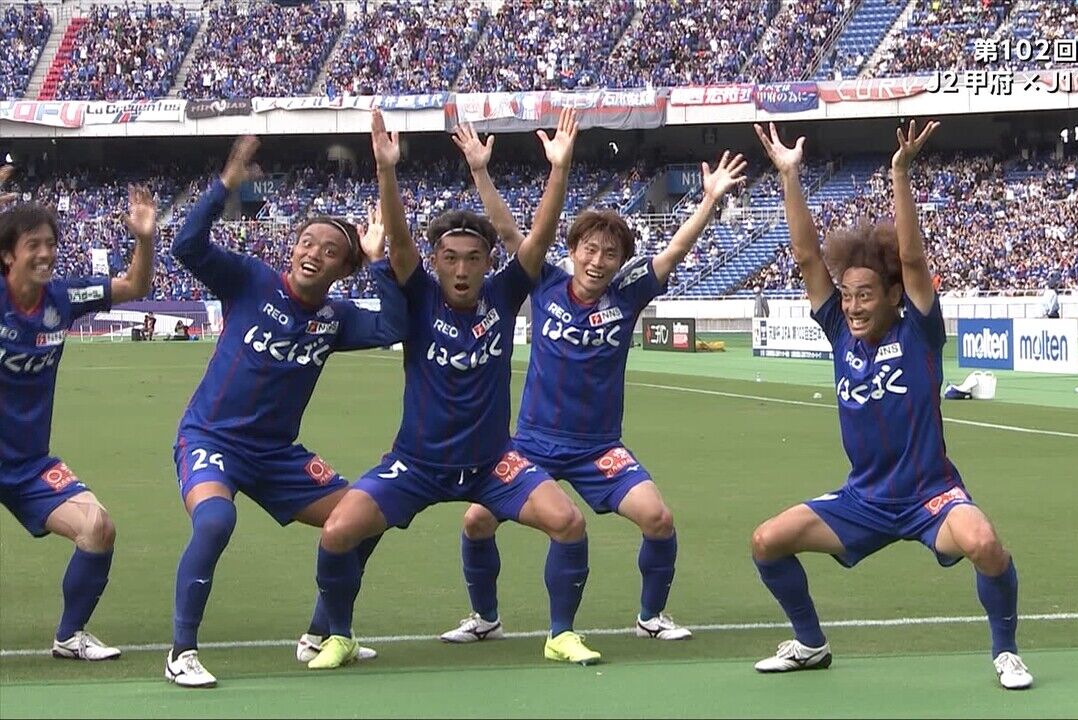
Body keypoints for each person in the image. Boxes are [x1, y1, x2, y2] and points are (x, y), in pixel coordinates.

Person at [307, 108, 601, 670]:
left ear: (489, 262)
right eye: (449, 259)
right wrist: (386, 170)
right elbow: (398, 244)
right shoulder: (420, 295)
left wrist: (559, 170)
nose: (461, 270)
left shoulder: (504, 294)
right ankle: (338, 636)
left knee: (568, 522)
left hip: (493, 464)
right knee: (339, 530)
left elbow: (539, 239)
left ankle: (560, 634)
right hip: (417, 465)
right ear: (435, 263)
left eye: (472, 259)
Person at [748, 121, 1033, 690]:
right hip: (865, 499)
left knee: (984, 544)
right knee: (767, 542)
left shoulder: (919, 333)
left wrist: (900, 174)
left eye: (865, 296)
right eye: (847, 295)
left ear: (893, 296)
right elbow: (807, 258)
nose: (852, 306)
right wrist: (789, 175)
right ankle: (810, 644)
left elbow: (911, 259)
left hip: (931, 497)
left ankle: (1006, 653)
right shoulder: (839, 333)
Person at [436, 124, 746, 645]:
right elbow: (507, 230)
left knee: (658, 517)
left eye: (610, 253)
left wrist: (710, 199)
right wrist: (480, 170)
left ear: (620, 262)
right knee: (475, 522)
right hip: (530, 443)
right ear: (573, 249)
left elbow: (673, 250)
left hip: (598, 448)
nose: (598, 261)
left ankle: (651, 617)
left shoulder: (627, 296)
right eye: (590, 249)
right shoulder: (545, 282)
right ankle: (485, 618)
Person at [163, 136, 408, 688]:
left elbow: (394, 326)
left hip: (276, 456)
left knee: (368, 516)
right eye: (305, 242)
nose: (312, 252)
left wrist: (377, 261)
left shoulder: (335, 319)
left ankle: (321, 633)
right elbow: (186, 246)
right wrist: (226, 182)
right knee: (216, 521)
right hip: (211, 440)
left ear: (343, 268)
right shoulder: (251, 280)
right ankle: (181, 651)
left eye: (329, 250)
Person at [0, 164, 157, 661]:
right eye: (33, 245)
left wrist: (145, 239)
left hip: (28, 464)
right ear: (8, 255)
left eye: (50, 243)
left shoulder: (63, 298)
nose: (46, 253)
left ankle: (70, 636)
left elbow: (134, 286)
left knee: (97, 528)